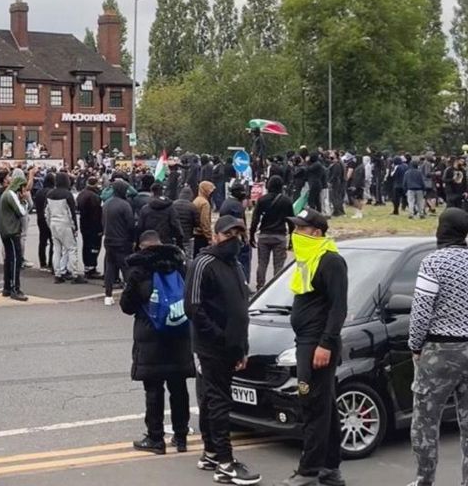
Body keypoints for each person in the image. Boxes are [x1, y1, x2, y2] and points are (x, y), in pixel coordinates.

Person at [185, 215, 260, 486]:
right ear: (215, 236)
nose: (234, 239)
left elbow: (242, 308)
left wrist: (242, 347)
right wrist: (219, 337)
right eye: (228, 234)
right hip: (210, 347)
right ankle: (225, 462)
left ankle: (212, 453)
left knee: (214, 399)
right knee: (218, 401)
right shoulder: (203, 263)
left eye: (239, 234)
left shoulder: (236, 265)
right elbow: (193, 307)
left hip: (232, 347)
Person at [274, 208, 347, 486]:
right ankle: (330, 467)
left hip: (317, 343)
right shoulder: (309, 258)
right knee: (323, 403)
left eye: (301, 229)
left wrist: (325, 343)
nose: (295, 233)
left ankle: (309, 470)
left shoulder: (331, 261)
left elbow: (338, 307)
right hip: (305, 340)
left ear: (316, 233)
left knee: (312, 404)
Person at [408, 208, 468, 486]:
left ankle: (424, 479)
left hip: (440, 351)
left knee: (425, 421)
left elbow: (421, 310)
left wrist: (415, 345)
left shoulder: (433, 263)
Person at [121, 230, 194, 455]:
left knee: (153, 390)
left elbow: (127, 306)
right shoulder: (180, 265)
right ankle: (181, 437)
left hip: (151, 337)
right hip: (179, 333)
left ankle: (156, 438)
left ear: (141, 246)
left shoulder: (139, 270)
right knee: (179, 387)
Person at [250, 176, 293, 291]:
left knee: (262, 263)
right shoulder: (286, 201)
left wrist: (251, 235)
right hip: (280, 236)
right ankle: (277, 288)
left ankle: (260, 286)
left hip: (264, 235)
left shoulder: (262, 200)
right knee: (279, 265)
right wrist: (292, 240)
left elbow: (255, 219)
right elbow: (291, 221)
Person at [47, 172, 87, 285]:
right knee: (71, 248)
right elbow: (72, 213)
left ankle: (58, 274)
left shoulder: (49, 194)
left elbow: (47, 212)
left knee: (57, 249)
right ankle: (75, 274)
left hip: (53, 223)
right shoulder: (67, 194)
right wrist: (75, 227)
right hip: (65, 223)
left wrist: (49, 223)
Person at [103, 179, 136, 306]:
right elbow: (130, 224)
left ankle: (108, 295)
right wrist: (132, 240)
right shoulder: (125, 205)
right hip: (122, 240)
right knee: (126, 267)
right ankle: (130, 294)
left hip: (108, 239)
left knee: (110, 267)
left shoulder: (107, 204)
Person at [0, 175, 30, 300]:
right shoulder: (11, 194)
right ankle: (15, 288)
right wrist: (24, 201)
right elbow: (22, 212)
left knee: (8, 258)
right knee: (16, 259)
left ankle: (7, 287)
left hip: (5, 230)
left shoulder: (5, 194)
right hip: (12, 230)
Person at [137, 182, 184, 250]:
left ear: (152, 192)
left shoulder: (145, 209)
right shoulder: (170, 208)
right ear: (162, 192)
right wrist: (179, 241)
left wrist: (138, 243)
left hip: (149, 242)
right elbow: (175, 225)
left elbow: (140, 227)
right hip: (166, 242)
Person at [77, 177, 104, 279]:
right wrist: (100, 228)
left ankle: (87, 266)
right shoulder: (95, 197)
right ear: (96, 184)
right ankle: (91, 268)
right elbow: (97, 214)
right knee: (94, 247)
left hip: (84, 224)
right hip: (93, 226)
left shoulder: (82, 194)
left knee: (86, 246)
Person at [35, 172, 56, 271]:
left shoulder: (39, 192)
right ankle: (51, 263)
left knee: (42, 241)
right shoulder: (52, 192)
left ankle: (42, 263)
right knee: (53, 241)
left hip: (40, 218)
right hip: (50, 219)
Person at [173, 187, 200, 263]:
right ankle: (188, 273)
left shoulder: (173, 204)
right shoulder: (192, 206)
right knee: (188, 257)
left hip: (176, 236)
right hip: (188, 236)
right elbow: (197, 223)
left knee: (175, 255)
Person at [192, 181, 215, 256]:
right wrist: (209, 237)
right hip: (202, 235)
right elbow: (205, 221)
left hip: (195, 233)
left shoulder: (196, 200)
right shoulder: (205, 203)